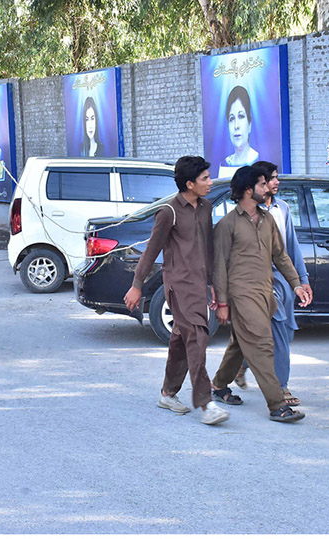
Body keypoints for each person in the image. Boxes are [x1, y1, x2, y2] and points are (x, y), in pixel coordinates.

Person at [123, 156, 229, 426]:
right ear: (189, 183)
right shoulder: (168, 212)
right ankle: (206, 403)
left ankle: (168, 393)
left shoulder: (205, 208)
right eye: (205, 178)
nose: (210, 182)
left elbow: (208, 250)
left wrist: (214, 286)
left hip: (198, 286)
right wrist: (137, 286)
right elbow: (151, 251)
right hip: (178, 286)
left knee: (181, 340)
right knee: (197, 336)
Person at [211, 166, 310, 422]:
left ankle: (219, 386)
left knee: (240, 343)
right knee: (263, 344)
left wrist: (297, 284)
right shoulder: (227, 225)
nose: (268, 188)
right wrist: (222, 302)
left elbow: (280, 255)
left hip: (266, 293)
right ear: (248, 189)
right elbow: (219, 267)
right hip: (241, 295)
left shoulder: (267, 220)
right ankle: (278, 405)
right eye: (263, 184)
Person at [234, 161, 313, 407]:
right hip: (259, 280)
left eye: (277, 177)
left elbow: (290, 248)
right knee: (277, 330)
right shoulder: (247, 213)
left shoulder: (282, 209)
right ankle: (281, 386)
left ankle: (241, 363)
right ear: (258, 184)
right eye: (271, 178)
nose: (276, 182)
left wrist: (302, 279)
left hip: (283, 280)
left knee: (283, 330)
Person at [223, 86, 258, 167]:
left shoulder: (259, 160)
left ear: (249, 124)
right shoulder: (224, 163)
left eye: (241, 116)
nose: (236, 126)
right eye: (231, 119)